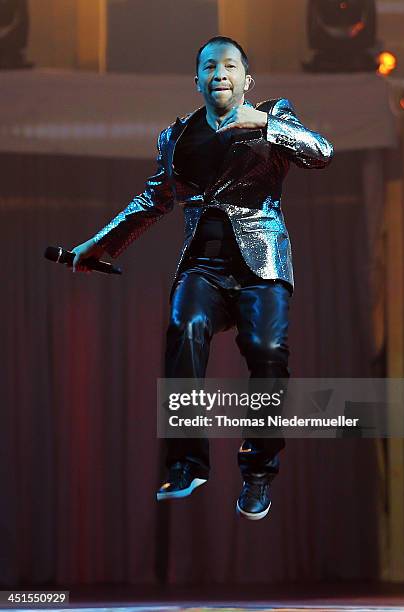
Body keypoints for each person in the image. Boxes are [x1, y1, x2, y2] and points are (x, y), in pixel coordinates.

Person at [71, 36, 334, 520]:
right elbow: (153, 201)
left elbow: (322, 152)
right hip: (204, 267)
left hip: (262, 266)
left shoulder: (274, 115)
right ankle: (188, 462)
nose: (220, 73)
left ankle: (257, 474)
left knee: (267, 352)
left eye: (230, 66)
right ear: (197, 80)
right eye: (209, 66)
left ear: (246, 80)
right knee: (184, 328)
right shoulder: (177, 137)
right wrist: (99, 244)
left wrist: (269, 124)